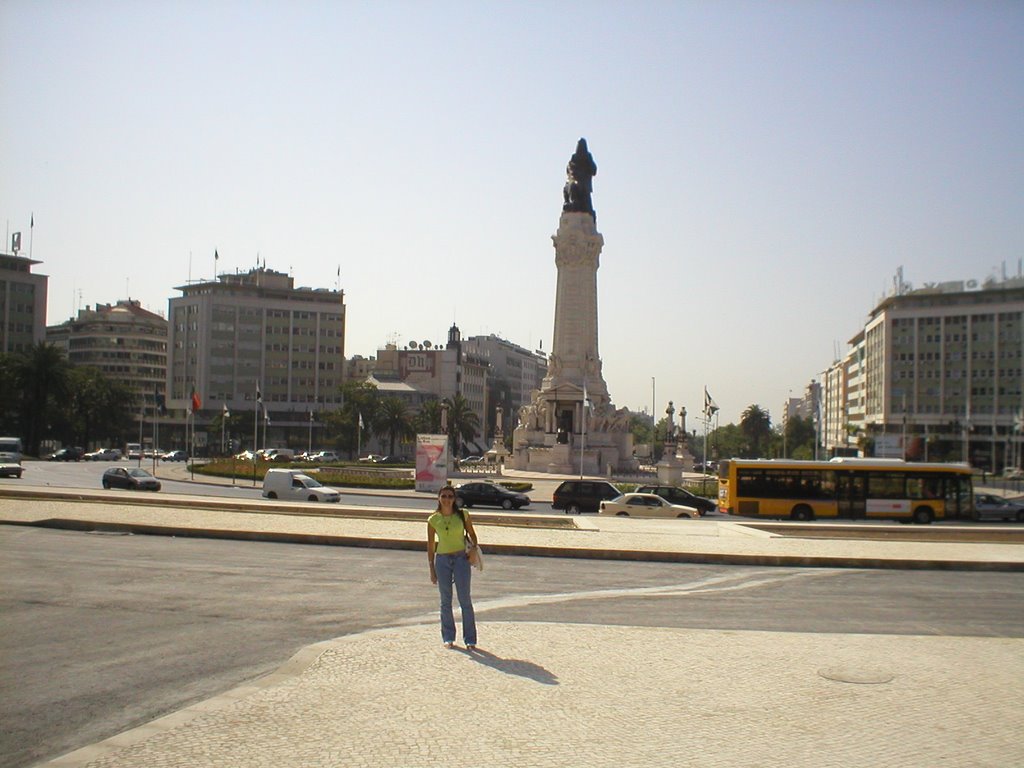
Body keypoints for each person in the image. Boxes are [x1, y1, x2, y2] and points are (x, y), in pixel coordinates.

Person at [427, 485, 479, 649]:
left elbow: (472, 534)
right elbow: (430, 545)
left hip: (461, 560)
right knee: (445, 601)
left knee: (465, 600)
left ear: (454, 499)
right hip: (442, 560)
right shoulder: (433, 520)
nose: (447, 499)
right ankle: (448, 637)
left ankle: (470, 639)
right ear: (439, 498)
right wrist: (431, 569)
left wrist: (473, 550)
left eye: (450, 496)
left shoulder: (463, 515)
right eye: (444, 496)